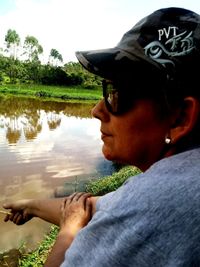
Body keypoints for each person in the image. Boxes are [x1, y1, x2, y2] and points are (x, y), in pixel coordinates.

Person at [3, 6, 200, 266]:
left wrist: (69, 230)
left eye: (117, 93)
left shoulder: (159, 203)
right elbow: (101, 208)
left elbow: (127, 210)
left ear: (180, 118)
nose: (97, 110)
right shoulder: (184, 177)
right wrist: (31, 205)